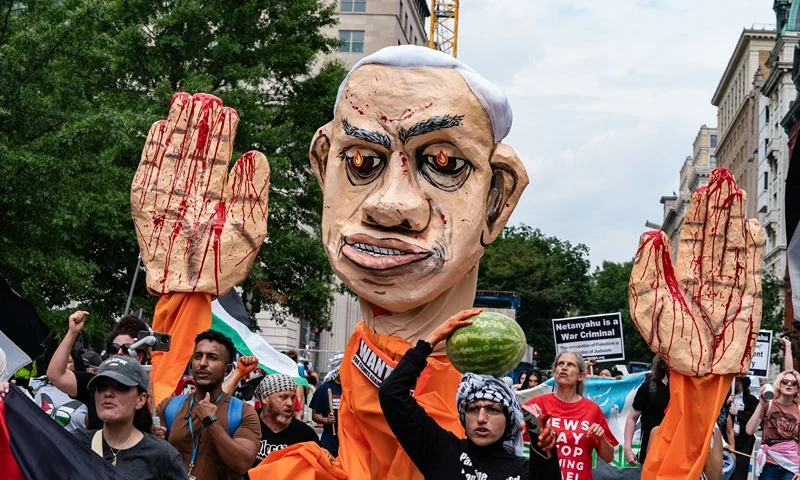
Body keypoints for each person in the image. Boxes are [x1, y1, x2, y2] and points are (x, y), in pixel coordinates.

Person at [379, 309, 560, 479]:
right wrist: (431, 341)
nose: (481, 418)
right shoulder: (441, 451)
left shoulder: (521, 471)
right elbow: (391, 394)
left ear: (509, 418)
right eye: (473, 409)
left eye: (493, 409)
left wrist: (543, 449)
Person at [154, 330, 260, 480]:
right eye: (198, 356)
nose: (203, 363)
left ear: (227, 369)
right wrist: (152, 437)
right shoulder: (168, 407)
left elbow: (242, 464)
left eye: (212, 357)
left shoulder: (244, 413)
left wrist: (211, 422)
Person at [71, 356, 186, 479]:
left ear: (141, 400)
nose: (108, 393)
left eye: (120, 387)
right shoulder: (74, 443)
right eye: (101, 387)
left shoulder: (162, 455)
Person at [47, 311, 150, 429]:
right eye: (114, 348)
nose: (119, 353)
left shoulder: (151, 389)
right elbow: (55, 374)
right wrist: (72, 332)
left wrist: (155, 433)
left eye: (127, 349)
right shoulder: (94, 382)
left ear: (141, 399)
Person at [525, 351, 618, 480]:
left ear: (580, 376)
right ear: (555, 371)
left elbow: (609, 458)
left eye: (570, 365)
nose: (564, 367)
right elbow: (514, 444)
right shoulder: (536, 405)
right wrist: (533, 423)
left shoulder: (592, 410)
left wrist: (601, 438)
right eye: (560, 364)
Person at [250, 374, 320, 472]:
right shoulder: (248, 423)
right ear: (265, 398)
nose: (290, 403)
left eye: (293, 398)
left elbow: (319, 466)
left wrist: (324, 455)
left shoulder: (305, 434)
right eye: (283, 397)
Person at [745, 368, 800, 480]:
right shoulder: (769, 405)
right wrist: (760, 404)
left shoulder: (798, 409)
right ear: (779, 384)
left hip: (792, 465)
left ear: (797, 388)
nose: (789, 384)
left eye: (794, 383)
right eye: (785, 381)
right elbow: (749, 430)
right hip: (769, 463)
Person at [624, 354, 670, 466]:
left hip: (680, 456)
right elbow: (632, 417)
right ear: (663, 363)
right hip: (651, 454)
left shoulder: (688, 390)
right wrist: (627, 449)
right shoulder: (649, 387)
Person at [35, 348, 88, 432]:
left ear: (76, 365)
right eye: (60, 362)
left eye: (69, 362)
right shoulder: (43, 391)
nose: (63, 365)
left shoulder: (86, 394)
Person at [311, 354, 344, 457]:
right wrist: (326, 420)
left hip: (350, 444)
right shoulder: (324, 388)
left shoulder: (352, 388)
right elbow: (315, 415)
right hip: (330, 444)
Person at [729, 375, 758, 480]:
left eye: (736, 380)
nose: (734, 383)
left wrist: (738, 413)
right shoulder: (725, 397)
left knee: (740, 470)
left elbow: (755, 416)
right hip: (728, 437)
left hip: (744, 439)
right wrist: (727, 402)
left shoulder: (751, 399)